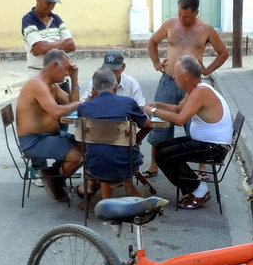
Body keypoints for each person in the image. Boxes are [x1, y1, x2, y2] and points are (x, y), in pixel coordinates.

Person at [143, 0, 229, 177]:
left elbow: (223, 52)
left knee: (193, 123)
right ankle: (153, 164)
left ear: (196, 12)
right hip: (169, 79)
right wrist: (156, 63)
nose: (182, 19)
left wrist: (208, 70)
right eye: (180, 14)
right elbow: (153, 42)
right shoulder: (170, 24)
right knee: (160, 124)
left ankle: (202, 166)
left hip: (191, 84)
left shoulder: (206, 29)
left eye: (187, 16)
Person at [143, 55, 232, 210]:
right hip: (207, 143)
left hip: (214, 148)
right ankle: (195, 186)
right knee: (161, 147)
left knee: (163, 155)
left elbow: (179, 119)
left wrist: (154, 111)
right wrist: (157, 104)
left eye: (176, 73)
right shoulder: (195, 89)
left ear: (186, 76)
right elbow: (178, 108)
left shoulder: (200, 92)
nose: (173, 76)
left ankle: (198, 190)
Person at [16, 49, 82, 202]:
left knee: (87, 147)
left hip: (49, 136)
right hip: (34, 140)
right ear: (54, 66)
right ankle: (55, 182)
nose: (67, 72)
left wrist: (75, 78)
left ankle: (51, 173)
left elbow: (70, 103)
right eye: (66, 69)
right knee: (77, 157)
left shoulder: (52, 85)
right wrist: (79, 104)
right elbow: (57, 112)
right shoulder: (38, 85)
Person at [77, 68, 151, 198]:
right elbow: (147, 124)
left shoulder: (84, 108)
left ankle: (106, 203)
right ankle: (136, 203)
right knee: (115, 152)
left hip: (95, 166)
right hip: (126, 164)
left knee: (104, 152)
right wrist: (135, 140)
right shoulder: (128, 103)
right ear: (116, 87)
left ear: (94, 90)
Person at [22, 0, 75, 70]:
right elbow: (41, 48)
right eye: (48, 3)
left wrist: (46, 46)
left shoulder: (56, 19)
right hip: (38, 74)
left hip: (59, 74)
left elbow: (71, 45)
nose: (51, 7)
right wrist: (62, 43)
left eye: (53, 3)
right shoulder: (28, 20)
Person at [81, 50, 145, 107]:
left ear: (123, 67)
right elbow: (82, 105)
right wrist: (91, 93)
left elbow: (141, 106)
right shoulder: (96, 81)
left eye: (114, 70)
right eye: (107, 69)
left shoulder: (132, 83)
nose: (110, 73)